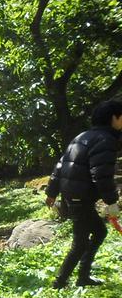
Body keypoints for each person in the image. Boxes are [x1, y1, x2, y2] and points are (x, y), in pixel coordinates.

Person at [46, 99, 122, 288]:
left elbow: (60, 164)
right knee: (80, 243)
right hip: (81, 196)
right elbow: (102, 175)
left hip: (75, 195)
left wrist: (52, 191)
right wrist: (112, 202)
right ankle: (60, 282)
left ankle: (82, 277)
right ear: (115, 118)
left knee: (99, 232)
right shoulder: (106, 140)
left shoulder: (82, 136)